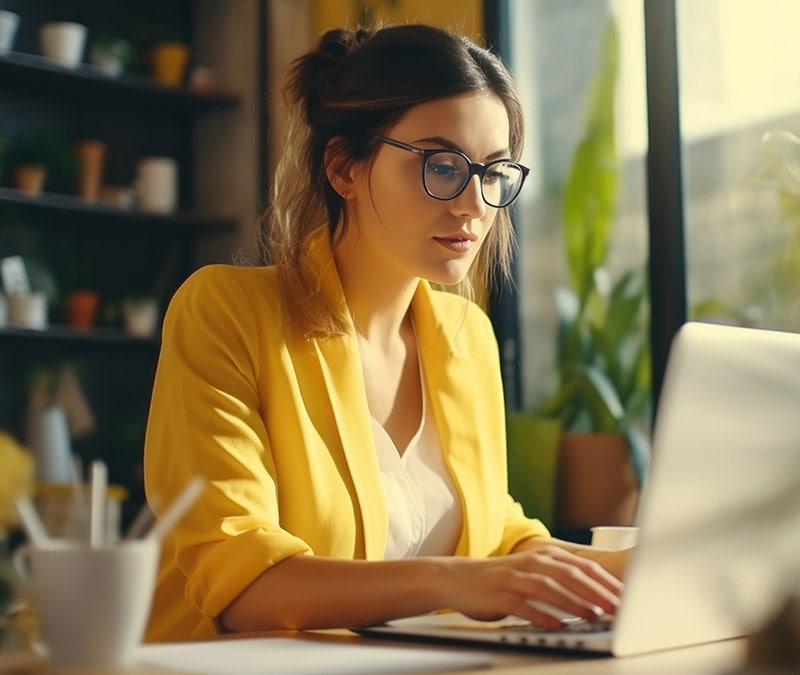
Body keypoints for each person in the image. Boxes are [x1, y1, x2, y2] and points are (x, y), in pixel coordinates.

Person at [143, 23, 628, 642]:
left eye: (493, 172)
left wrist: (636, 565)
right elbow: (243, 588)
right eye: (442, 166)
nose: (474, 204)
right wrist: (452, 582)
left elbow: (494, 536)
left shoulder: (467, 336)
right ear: (344, 167)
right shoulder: (226, 312)